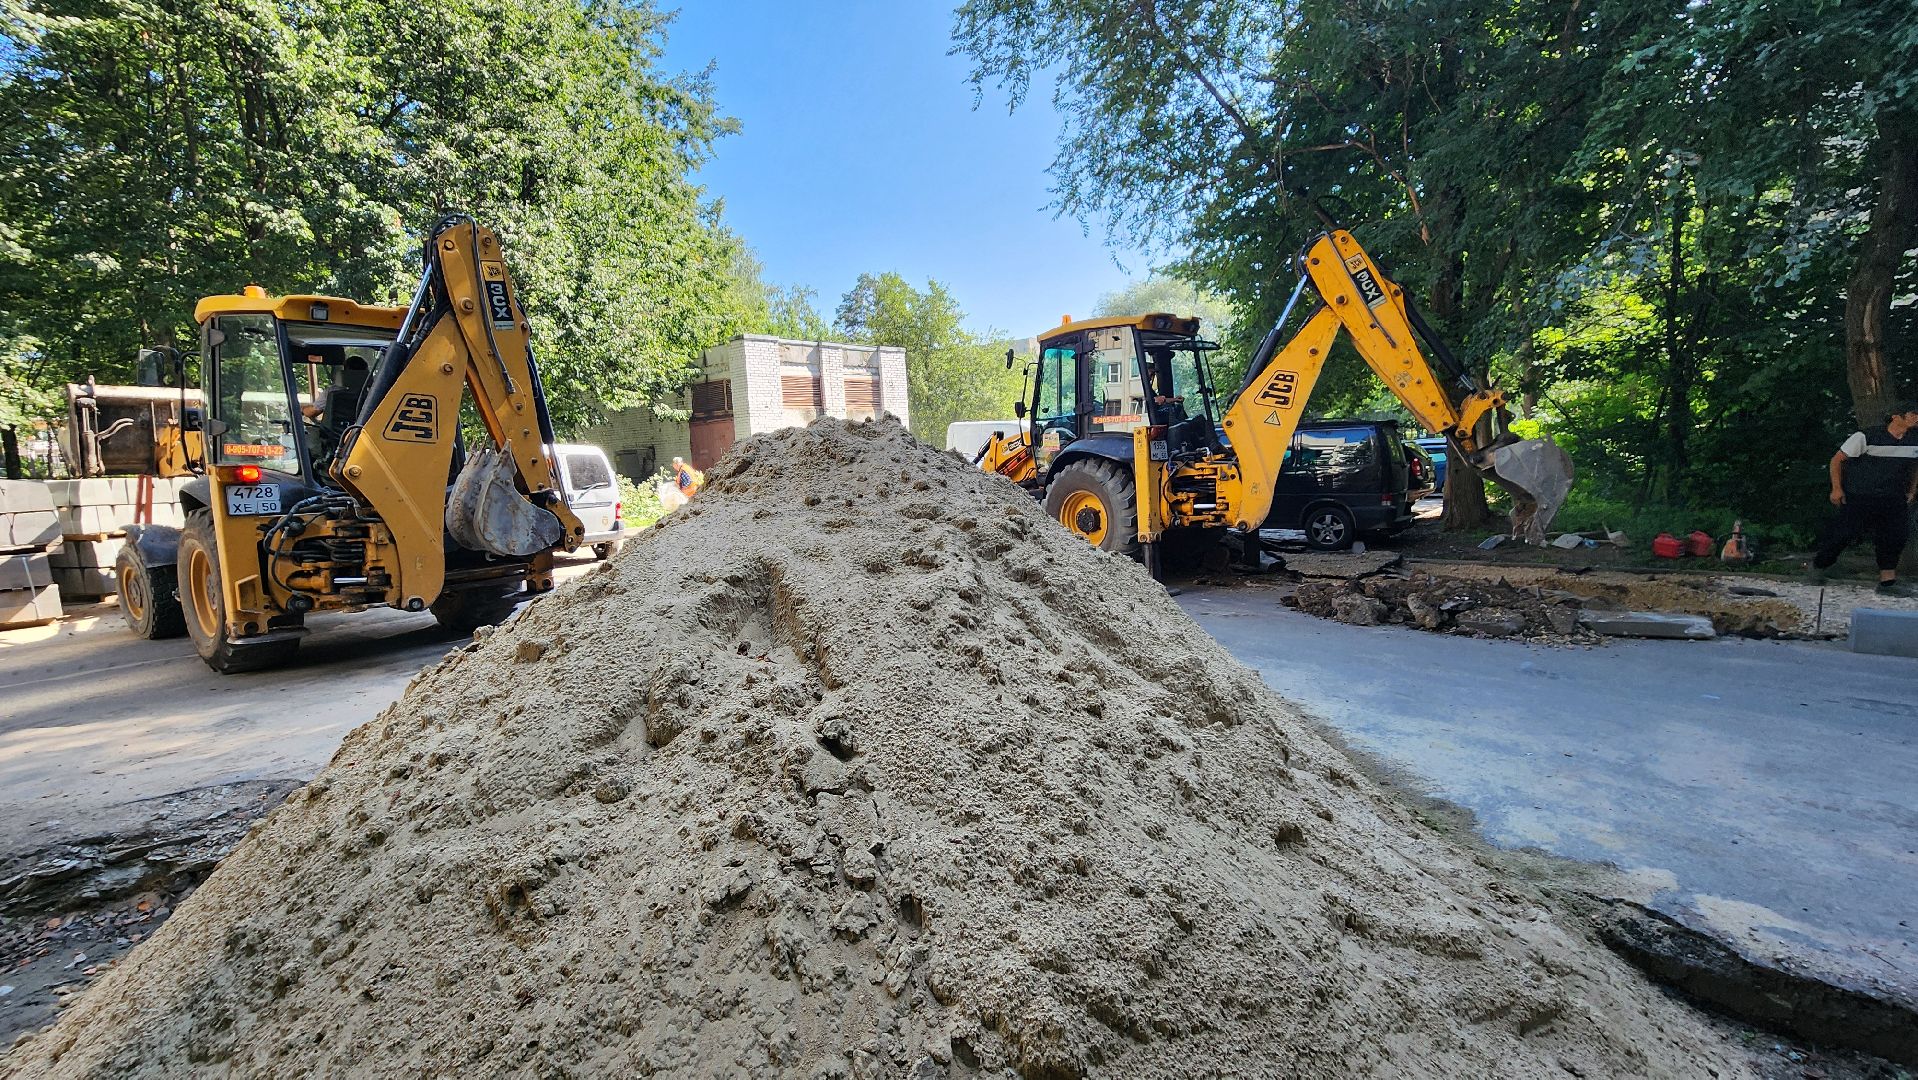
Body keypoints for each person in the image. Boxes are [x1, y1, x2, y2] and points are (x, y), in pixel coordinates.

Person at [1809, 402, 1918, 596]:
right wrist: (1836, 488)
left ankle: (1887, 583)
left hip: (1893, 497)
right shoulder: (1866, 436)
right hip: (1861, 495)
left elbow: (1915, 466)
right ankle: (1818, 566)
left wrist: (1912, 490)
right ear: (1896, 416)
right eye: (1913, 413)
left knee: (1894, 537)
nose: (1916, 418)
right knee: (1844, 534)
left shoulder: (1914, 440)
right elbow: (1837, 460)